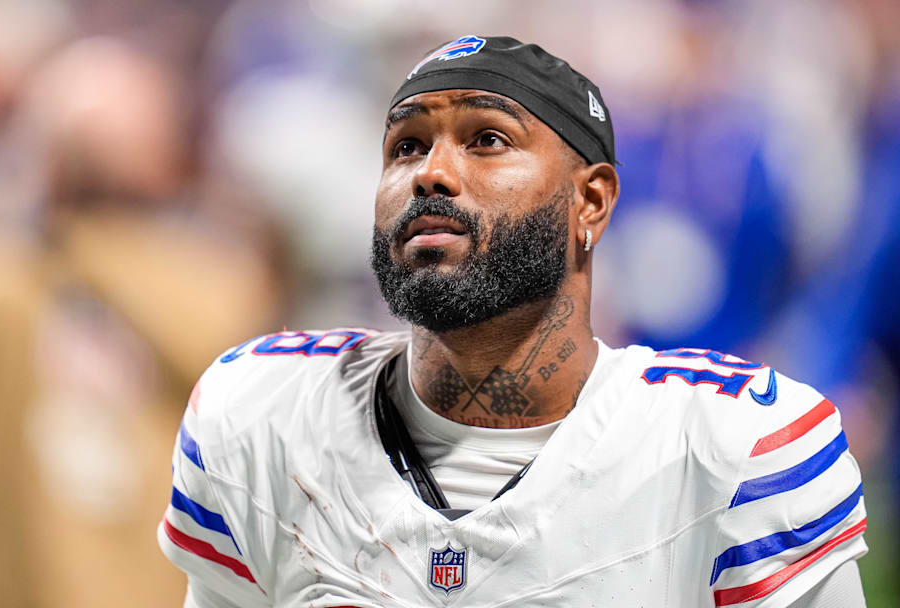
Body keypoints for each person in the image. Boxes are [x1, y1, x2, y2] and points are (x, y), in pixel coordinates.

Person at [157, 36, 868, 607]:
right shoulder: (263, 415)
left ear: (591, 202)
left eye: (488, 139)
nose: (431, 172)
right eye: (406, 146)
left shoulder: (731, 450)